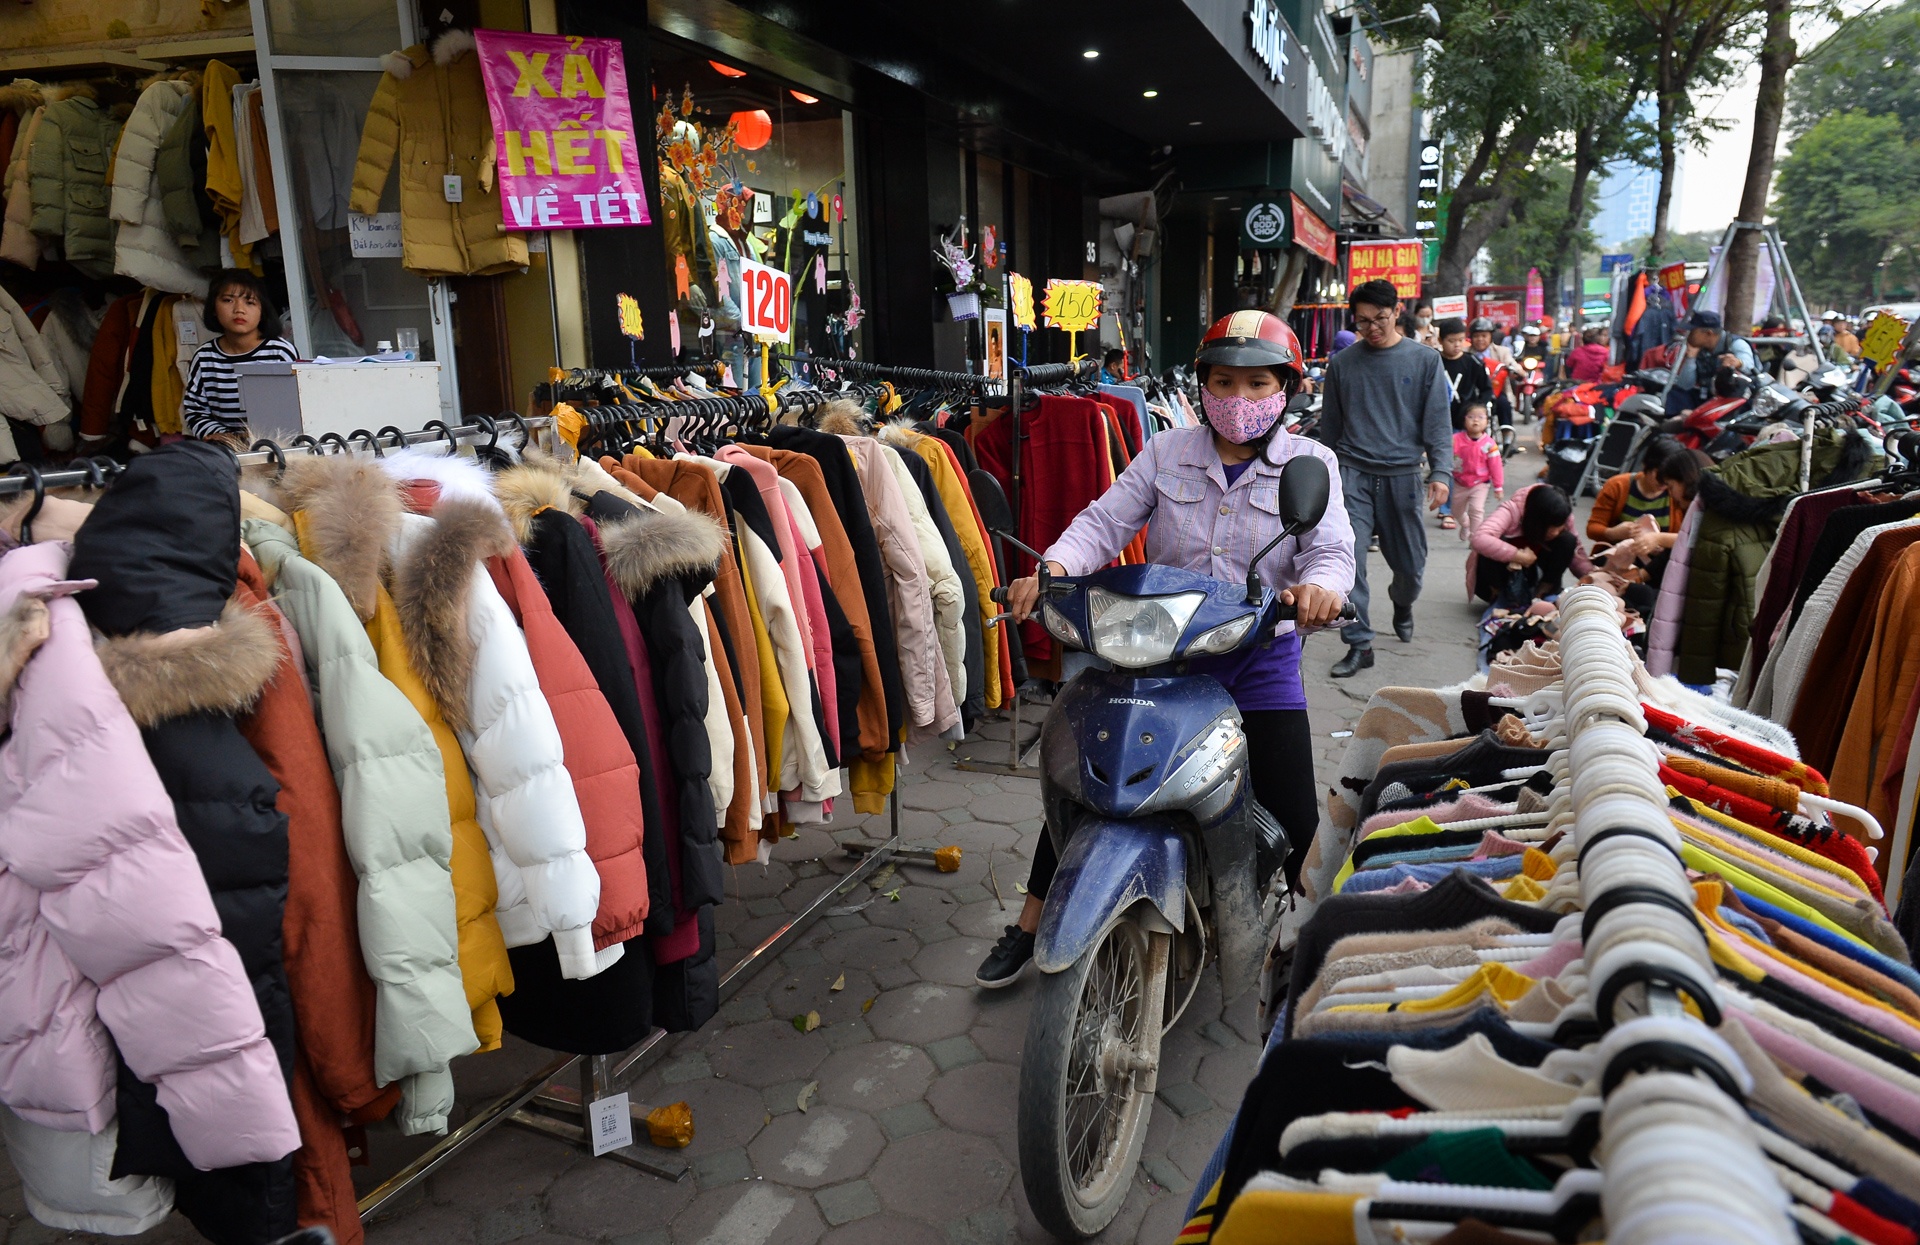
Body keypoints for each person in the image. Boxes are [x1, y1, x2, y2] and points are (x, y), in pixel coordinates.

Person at [974, 310, 1355, 987]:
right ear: (1203, 384)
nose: (1238, 400)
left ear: (1285, 389)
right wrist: (1054, 570)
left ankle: (1314, 944)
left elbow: (1329, 549)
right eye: (1224, 382)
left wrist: (1320, 588)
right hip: (1161, 652)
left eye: (1257, 383)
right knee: (1093, 779)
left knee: (1297, 815)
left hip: (1255, 658)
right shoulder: (1164, 450)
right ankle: (1031, 920)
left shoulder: (1311, 464)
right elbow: (1105, 520)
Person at [1319, 279, 1452, 677]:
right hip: (1352, 473)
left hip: (1404, 476)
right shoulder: (1342, 365)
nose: (1372, 328)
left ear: (1397, 311)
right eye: (1362, 322)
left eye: (1379, 318)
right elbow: (1330, 429)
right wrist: (1325, 478)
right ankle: (1360, 644)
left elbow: (1438, 424)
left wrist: (1441, 472)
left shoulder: (1425, 360)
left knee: (1410, 568)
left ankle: (1403, 603)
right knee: (1350, 561)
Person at [182, 269, 298, 442]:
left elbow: (296, 406)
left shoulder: (280, 352)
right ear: (213, 308)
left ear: (262, 311)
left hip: (277, 447)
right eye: (228, 300)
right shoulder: (204, 357)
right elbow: (195, 411)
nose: (239, 310)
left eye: (250, 302)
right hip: (226, 451)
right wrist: (226, 438)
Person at [1468, 483, 1592, 607]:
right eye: (1551, 527)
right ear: (1537, 520)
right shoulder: (1512, 510)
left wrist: (1592, 576)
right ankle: (1500, 597)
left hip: (1534, 575)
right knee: (1492, 544)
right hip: (1498, 578)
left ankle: (1543, 592)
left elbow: (1576, 553)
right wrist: (1517, 555)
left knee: (1567, 540)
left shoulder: (1564, 516)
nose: (1555, 533)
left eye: (1558, 528)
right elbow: (1480, 538)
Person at [1666, 308, 1756, 416]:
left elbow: (1750, 366)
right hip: (1709, 395)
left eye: (1693, 331)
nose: (1688, 335)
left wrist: (1738, 363)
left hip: (1734, 397)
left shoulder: (1736, 343)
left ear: (1709, 333)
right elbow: (1685, 385)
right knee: (1676, 394)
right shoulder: (1700, 349)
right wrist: (1690, 359)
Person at [1451, 404, 1504, 542]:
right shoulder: (1456, 440)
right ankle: (1465, 524)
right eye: (1471, 417)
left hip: (1480, 483)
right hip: (1459, 482)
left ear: (1487, 421)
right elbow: (1445, 455)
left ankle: (1475, 539)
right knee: (1456, 511)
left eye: (1481, 417)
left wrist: (1498, 486)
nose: (1476, 421)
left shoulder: (1489, 444)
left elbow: (1496, 466)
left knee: (1476, 510)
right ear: (1464, 420)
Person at [1471, 317, 1517, 428]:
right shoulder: (1465, 353)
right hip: (1472, 392)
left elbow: (1511, 363)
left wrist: (1516, 370)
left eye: (1484, 336)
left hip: (1495, 390)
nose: (1480, 339)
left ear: (1491, 337)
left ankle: (1507, 433)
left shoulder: (1502, 351)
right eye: (1476, 336)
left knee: (1504, 404)